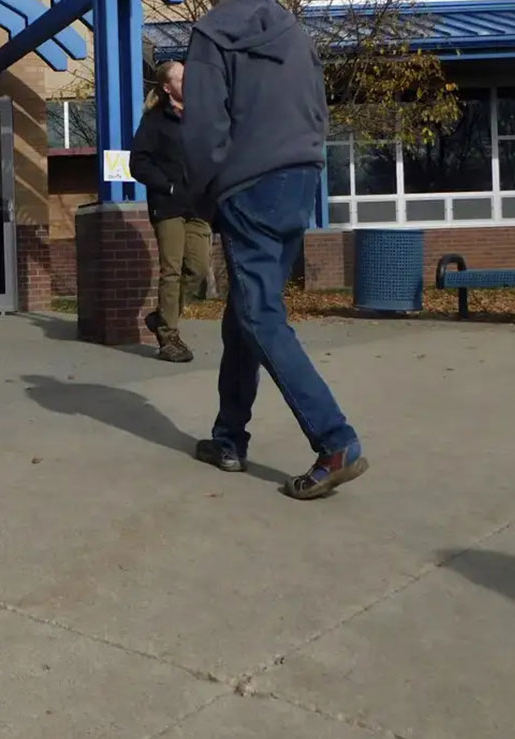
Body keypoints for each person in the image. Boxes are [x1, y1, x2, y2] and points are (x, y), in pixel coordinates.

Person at [183, 0, 368, 499]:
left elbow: (202, 128)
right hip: (299, 178)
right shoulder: (295, 33)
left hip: (249, 183)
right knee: (246, 311)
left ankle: (336, 441)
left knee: (260, 315)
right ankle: (229, 438)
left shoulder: (212, 34)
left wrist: (204, 194)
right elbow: (318, 110)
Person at [130, 61, 212, 363]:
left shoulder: (201, 117)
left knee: (199, 270)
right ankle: (168, 337)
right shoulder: (155, 121)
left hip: (199, 205)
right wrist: (168, 186)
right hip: (169, 206)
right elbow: (138, 163)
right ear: (167, 87)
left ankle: (161, 316)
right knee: (172, 270)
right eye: (182, 78)